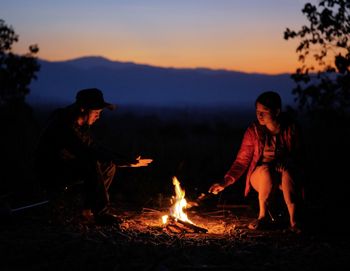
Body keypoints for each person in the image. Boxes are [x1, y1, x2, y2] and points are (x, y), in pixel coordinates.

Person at [35, 88, 152, 225]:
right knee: (90, 162)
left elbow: (94, 147)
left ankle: (88, 210)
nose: (98, 116)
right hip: (50, 172)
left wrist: (125, 160)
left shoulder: (81, 126)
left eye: (100, 112)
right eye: (96, 112)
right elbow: (85, 151)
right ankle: (100, 214)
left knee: (108, 165)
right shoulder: (63, 124)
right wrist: (120, 160)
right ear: (83, 108)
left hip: (66, 167)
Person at [209, 91, 304, 233]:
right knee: (266, 170)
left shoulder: (291, 128)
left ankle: (294, 221)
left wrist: (288, 161)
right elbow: (242, 161)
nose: (259, 115)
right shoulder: (253, 131)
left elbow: (300, 155)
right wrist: (225, 182)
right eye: (257, 111)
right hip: (260, 176)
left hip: (283, 173)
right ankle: (263, 217)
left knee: (288, 171)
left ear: (277, 111)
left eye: (264, 111)